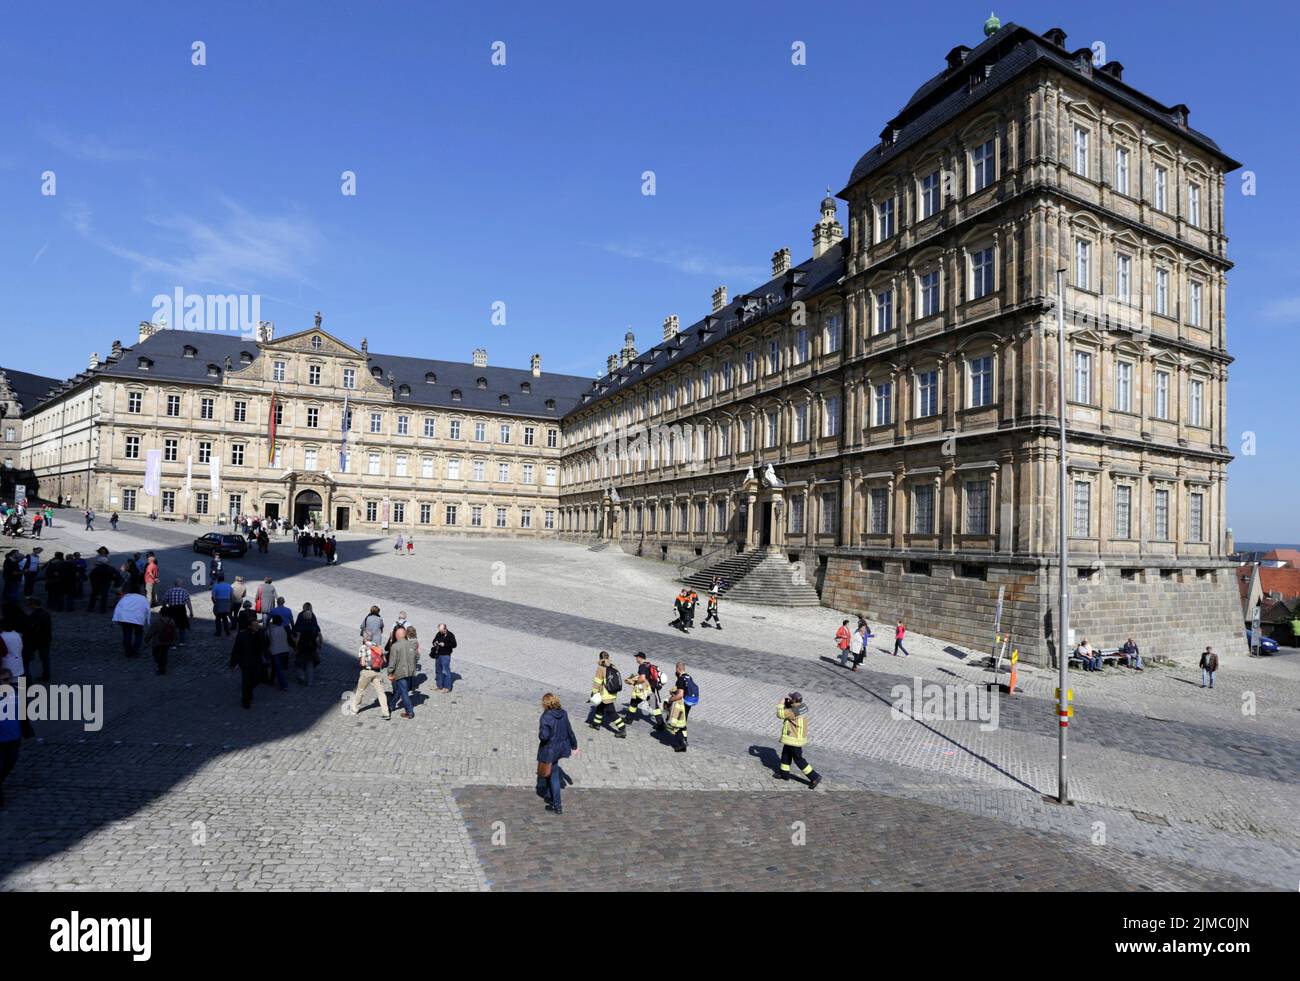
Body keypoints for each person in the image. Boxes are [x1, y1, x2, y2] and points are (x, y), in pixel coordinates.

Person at [0, 666, 36, 808]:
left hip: (14, 738)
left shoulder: (15, 694)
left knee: (10, 763)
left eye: (5, 680)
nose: (3, 683)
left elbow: (23, 715)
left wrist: (26, 730)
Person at [536, 693, 578, 815]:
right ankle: (550, 796)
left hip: (549, 750)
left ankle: (557, 805)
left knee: (553, 776)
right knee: (552, 773)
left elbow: (544, 737)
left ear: (546, 704)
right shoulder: (563, 713)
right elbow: (569, 730)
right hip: (560, 749)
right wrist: (574, 745)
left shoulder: (545, 717)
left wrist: (540, 733)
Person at [774, 692, 822, 789]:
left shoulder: (792, 711)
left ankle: (814, 777)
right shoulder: (802, 707)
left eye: (792, 698)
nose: (790, 699)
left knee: (798, 759)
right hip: (796, 737)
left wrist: (780, 704)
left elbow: (780, 714)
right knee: (785, 755)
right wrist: (789, 705)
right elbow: (792, 712)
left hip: (794, 739)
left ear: (795, 700)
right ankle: (784, 774)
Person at [228, 614, 269, 709]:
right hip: (245, 662)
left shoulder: (260, 633)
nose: (257, 627)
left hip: (257, 661)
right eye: (254, 626)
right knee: (246, 681)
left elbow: (265, 645)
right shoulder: (242, 635)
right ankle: (245, 700)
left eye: (257, 625)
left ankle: (249, 691)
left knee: (257, 679)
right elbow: (236, 649)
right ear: (249, 626)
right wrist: (233, 663)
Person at [346, 639, 391, 720]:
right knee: (381, 693)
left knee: (360, 690)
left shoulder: (363, 647)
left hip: (367, 672)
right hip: (377, 672)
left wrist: (368, 664)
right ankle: (386, 712)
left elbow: (362, 663)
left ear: (364, 639)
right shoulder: (377, 647)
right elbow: (384, 661)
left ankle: (355, 708)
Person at [587, 651, 627, 738]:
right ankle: (596, 724)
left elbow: (597, 682)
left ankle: (622, 729)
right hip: (612, 692)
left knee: (611, 712)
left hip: (605, 694)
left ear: (600, 658)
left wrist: (594, 692)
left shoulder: (601, 667)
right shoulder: (613, 665)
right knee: (600, 708)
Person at [624, 651, 664, 729]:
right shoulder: (649, 665)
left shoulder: (642, 666)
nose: (636, 659)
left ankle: (628, 720)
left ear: (640, 658)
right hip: (651, 689)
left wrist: (634, 682)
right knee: (655, 707)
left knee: (633, 702)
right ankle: (661, 724)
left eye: (637, 657)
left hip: (644, 690)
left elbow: (642, 679)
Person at [664, 661, 697, 752]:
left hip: (682, 704)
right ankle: (684, 741)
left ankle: (682, 744)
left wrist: (670, 699)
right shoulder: (688, 676)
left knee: (678, 723)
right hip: (689, 702)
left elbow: (680, 695)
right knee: (683, 723)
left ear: (678, 669)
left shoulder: (681, 679)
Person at [386, 626, 418, 719]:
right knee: (400, 690)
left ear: (397, 635)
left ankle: (410, 712)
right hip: (410, 672)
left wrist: (390, 672)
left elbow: (392, 661)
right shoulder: (411, 644)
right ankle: (391, 705)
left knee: (404, 693)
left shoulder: (395, 646)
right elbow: (416, 657)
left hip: (400, 672)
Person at [112, 588, 151, 658]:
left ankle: (128, 651)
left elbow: (119, 608)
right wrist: (147, 621)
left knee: (127, 634)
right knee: (139, 634)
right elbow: (147, 610)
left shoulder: (125, 598)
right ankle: (136, 650)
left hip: (125, 618)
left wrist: (116, 620)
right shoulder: (143, 599)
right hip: (138, 619)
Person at [22, 598, 52, 683]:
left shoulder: (34, 615)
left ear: (33, 605)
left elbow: (30, 628)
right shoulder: (45, 613)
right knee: (45, 658)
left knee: (26, 658)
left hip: (34, 640)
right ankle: (46, 675)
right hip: (45, 640)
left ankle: (26, 676)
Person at [293, 603, 322, 685]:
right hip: (312, 647)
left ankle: (301, 677)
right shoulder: (314, 626)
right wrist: (320, 645)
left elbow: (298, 638)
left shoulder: (301, 626)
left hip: (302, 647)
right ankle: (310, 681)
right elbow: (319, 635)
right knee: (310, 664)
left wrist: (295, 646)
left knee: (298, 662)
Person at [160, 579, 194, 647]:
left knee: (172, 626)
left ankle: (173, 643)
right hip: (181, 610)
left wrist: (165, 608)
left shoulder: (169, 591)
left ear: (175, 584)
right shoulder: (185, 591)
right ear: (180, 584)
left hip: (172, 610)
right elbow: (188, 603)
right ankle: (181, 642)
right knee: (182, 626)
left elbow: (164, 602)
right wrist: (191, 612)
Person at [144, 609, 179, 675]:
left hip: (158, 642)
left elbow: (151, 632)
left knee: (156, 654)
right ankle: (163, 668)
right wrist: (175, 639)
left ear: (161, 613)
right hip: (167, 641)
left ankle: (160, 665)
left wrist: (146, 639)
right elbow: (174, 631)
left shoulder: (157, 622)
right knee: (164, 654)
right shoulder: (172, 621)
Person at [264, 614, 293, 691]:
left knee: (278, 669)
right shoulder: (285, 628)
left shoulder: (269, 629)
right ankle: (271, 681)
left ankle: (284, 685)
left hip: (274, 651)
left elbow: (266, 641)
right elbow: (289, 639)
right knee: (276, 667)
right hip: (285, 650)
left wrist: (265, 651)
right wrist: (294, 647)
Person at [431, 623, 457, 692]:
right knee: (438, 670)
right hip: (438, 654)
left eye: (441, 631)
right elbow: (433, 640)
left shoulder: (450, 635)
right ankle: (439, 685)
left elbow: (454, 645)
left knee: (446, 671)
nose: (440, 632)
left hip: (445, 655)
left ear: (445, 629)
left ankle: (447, 687)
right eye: (439, 630)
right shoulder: (438, 633)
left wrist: (445, 644)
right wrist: (435, 642)